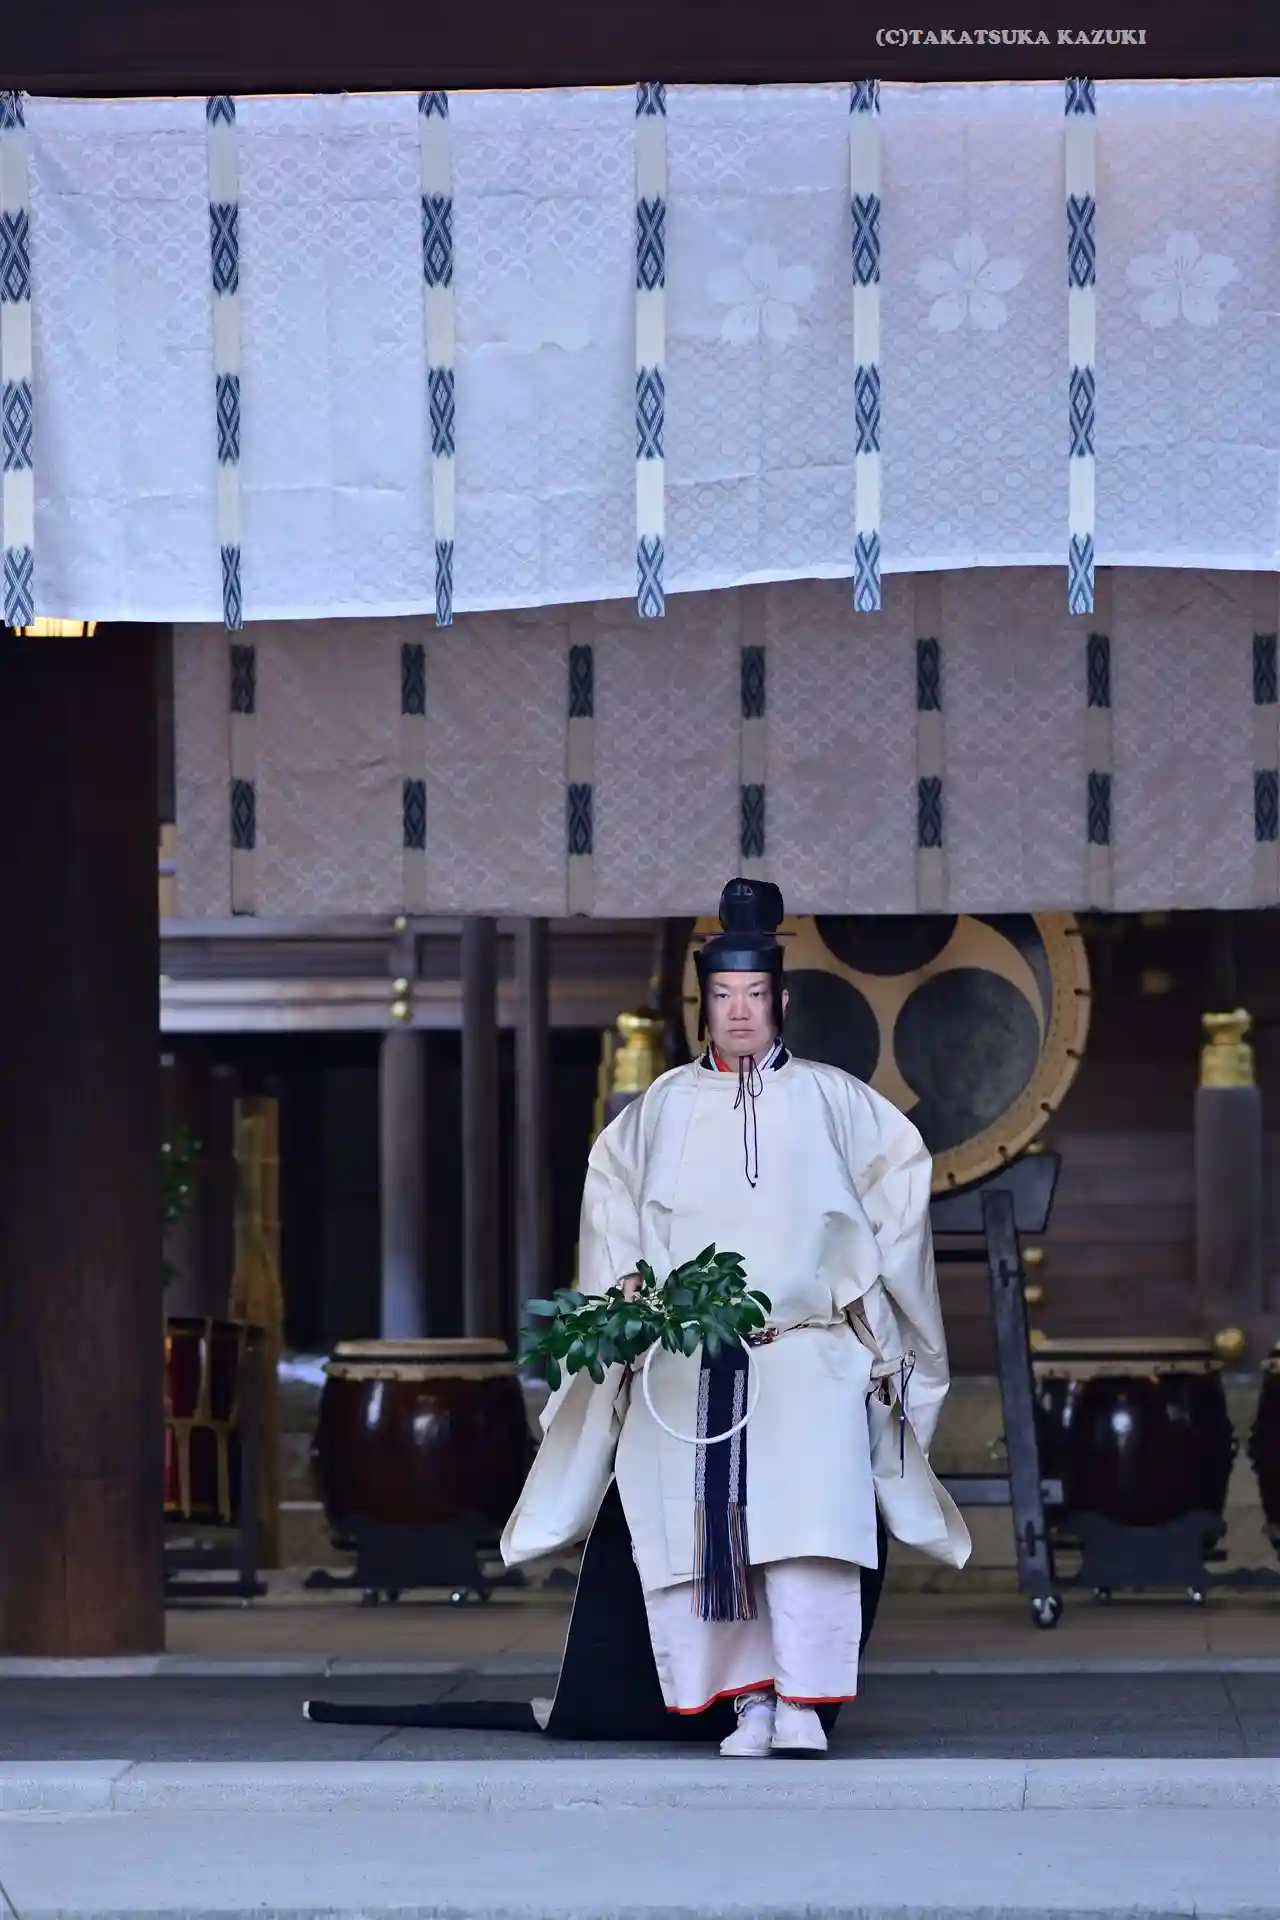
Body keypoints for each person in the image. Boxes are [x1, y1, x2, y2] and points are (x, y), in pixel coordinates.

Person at [500, 876, 970, 1758]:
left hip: (807, 1352)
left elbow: (898, 1216)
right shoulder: (658, 1112)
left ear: (782, 1002)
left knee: (810, 1534)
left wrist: (879, 1329)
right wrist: (627, 1310)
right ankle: (748, 1703)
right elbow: (614, 1224)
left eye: (756, 994)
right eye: (725, 996)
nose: (741, 1011)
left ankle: (803, 1704)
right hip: (689, 1360)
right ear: (704, 1006)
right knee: (703, 1539)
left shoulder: (838, 1102)